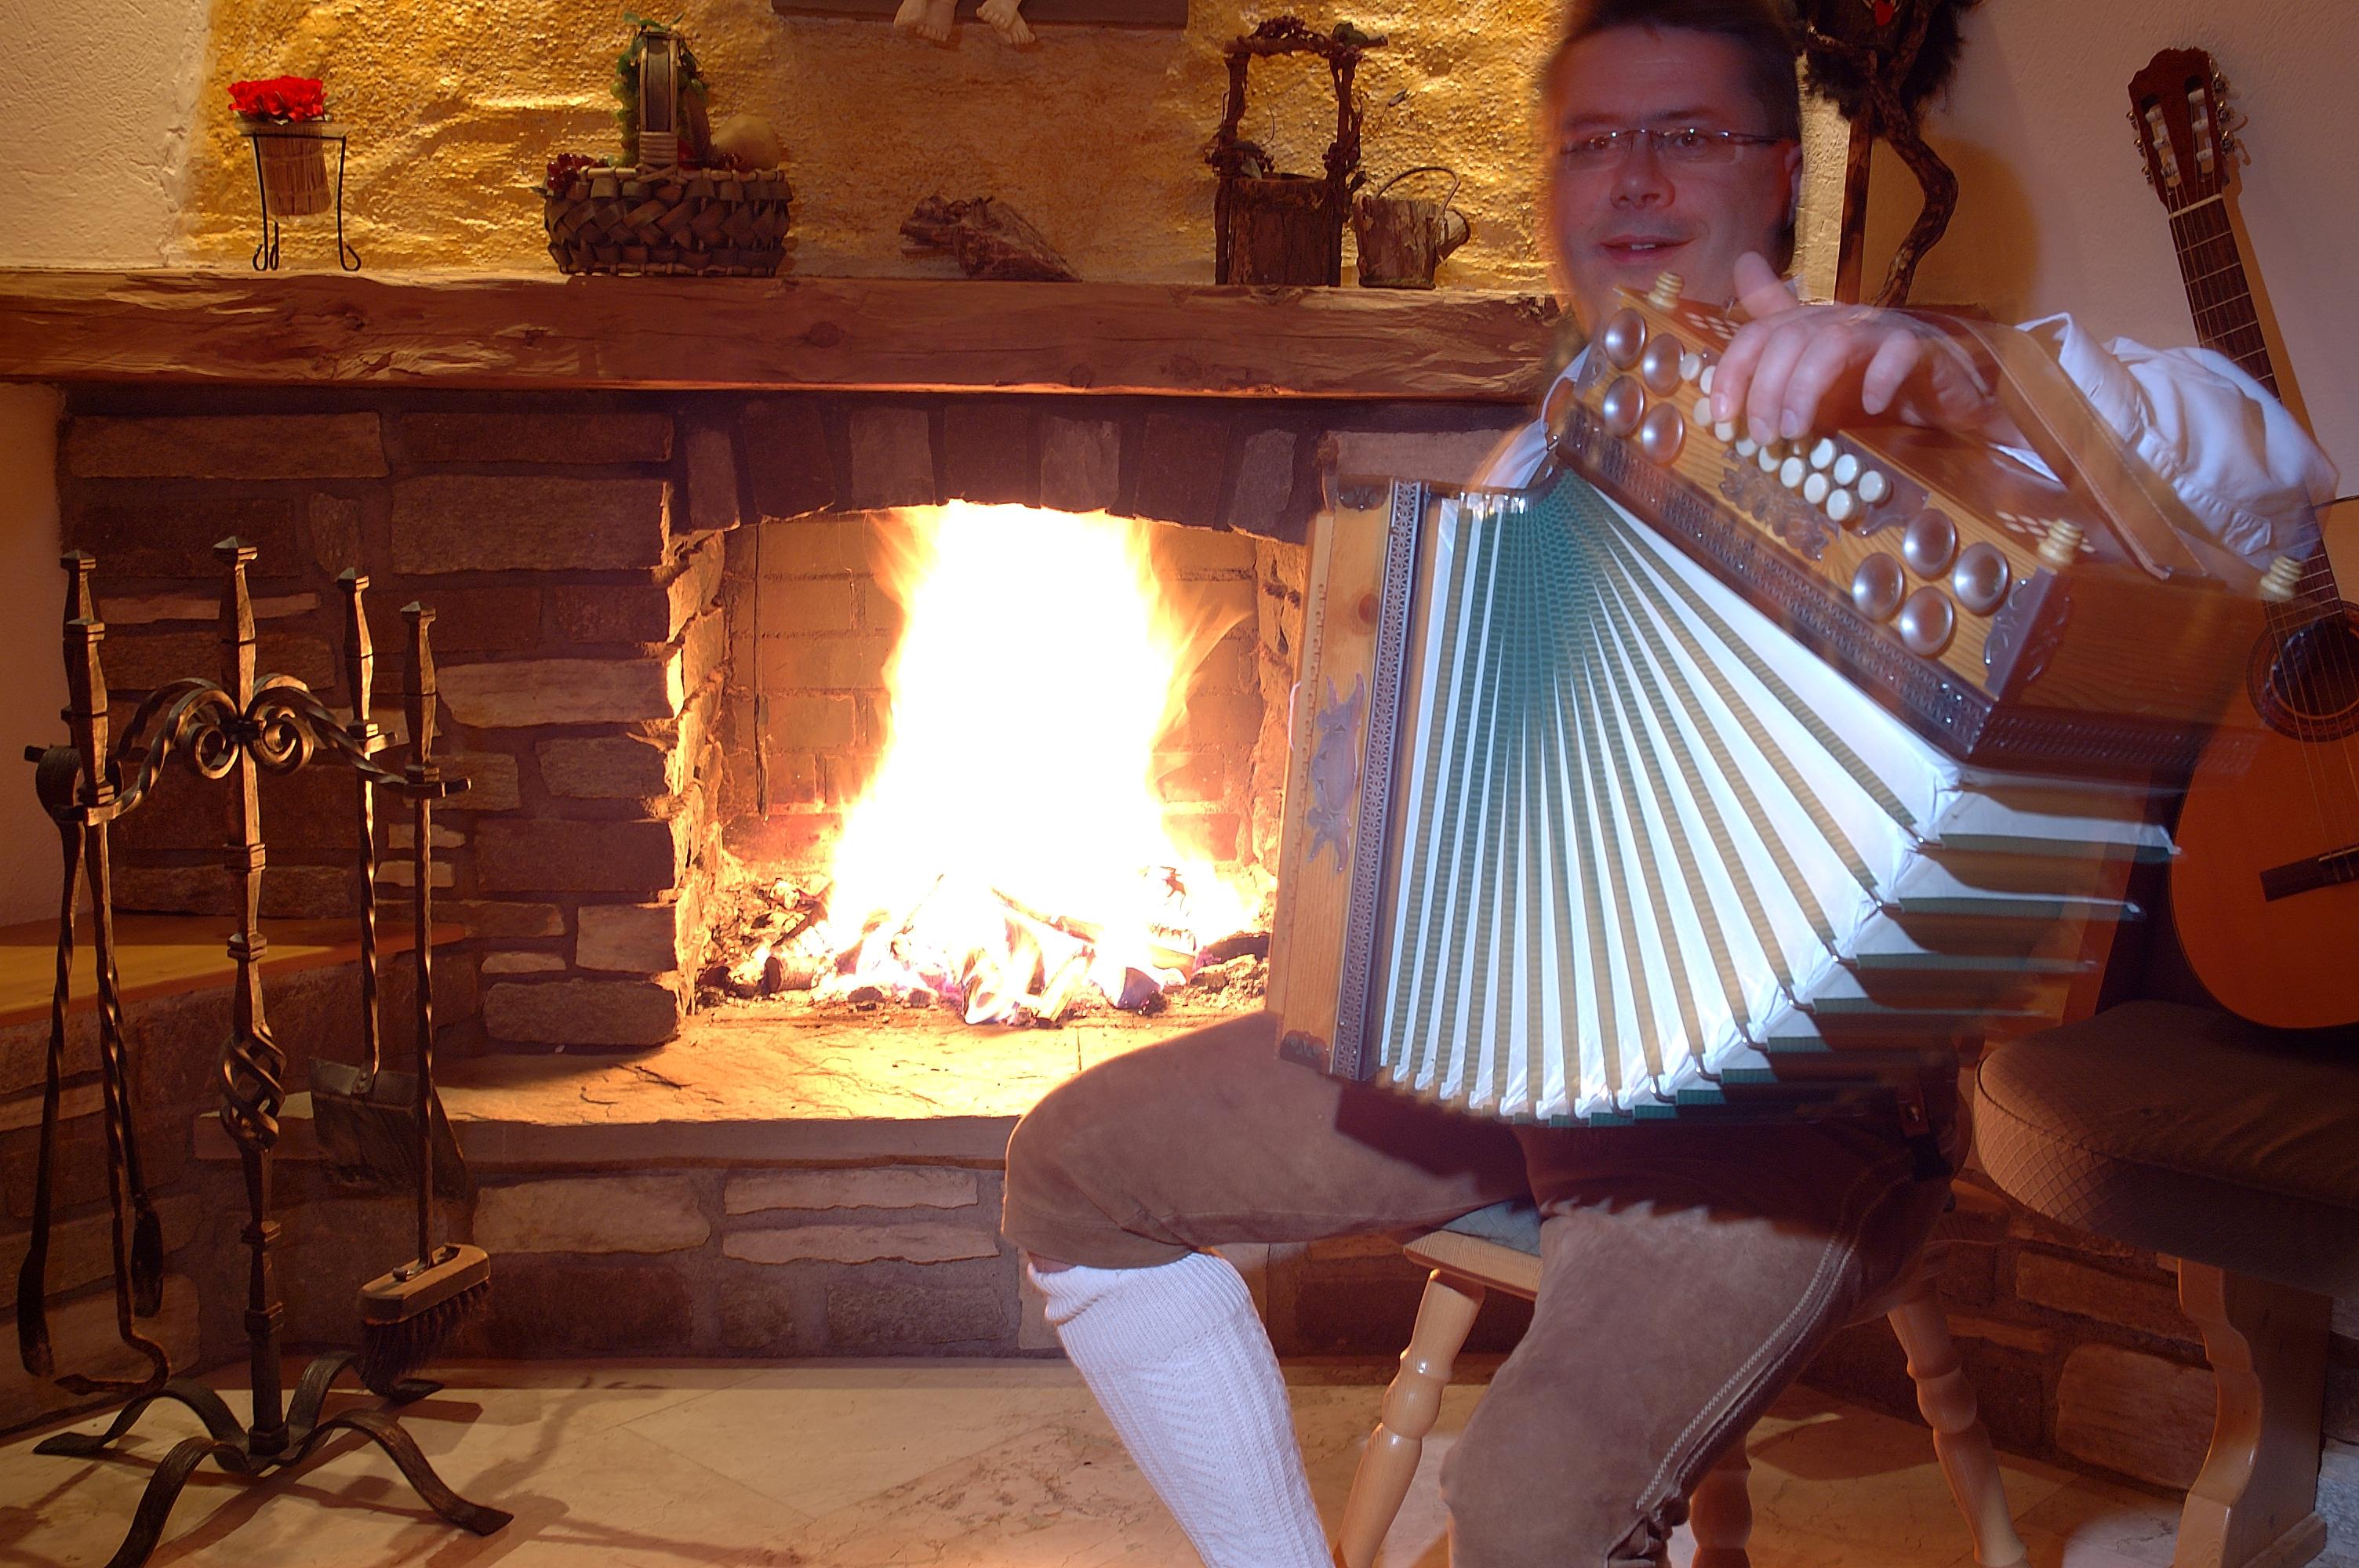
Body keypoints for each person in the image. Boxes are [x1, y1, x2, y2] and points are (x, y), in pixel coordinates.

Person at [1002, 2, 2337, 1564]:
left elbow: (2269, 470)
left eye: (1685, 135)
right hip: (1500, 1049)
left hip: (1789, 1113)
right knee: (1075, 1171)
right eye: (1591, 142)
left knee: (1531, 1508)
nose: (1632, 178)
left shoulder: (1934, 413)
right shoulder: (1535, 468)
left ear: (1778, 174)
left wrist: (1970, 377)